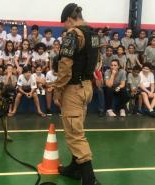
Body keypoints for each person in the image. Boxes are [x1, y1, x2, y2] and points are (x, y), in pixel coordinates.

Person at [53, 3, 100, 185]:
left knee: (75, 134)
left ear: (70, 19)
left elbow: (64, 66)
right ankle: (74, 168)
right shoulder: (94, 34)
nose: (65, 27)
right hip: (87, 87)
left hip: (73, 89)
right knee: (76, 127)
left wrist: (57, 90)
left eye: (65, 23)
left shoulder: (73, 35)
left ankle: (89, 180)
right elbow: (96, 60)